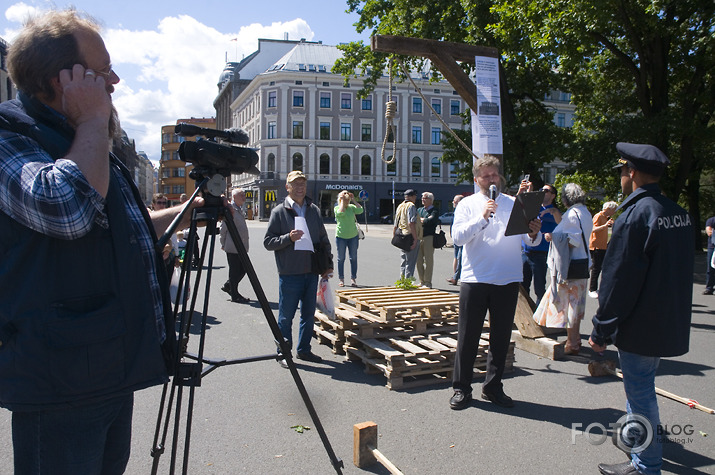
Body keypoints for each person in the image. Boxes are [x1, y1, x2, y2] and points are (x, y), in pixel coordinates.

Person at [0, 9, 203, 473]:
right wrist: (93, 121)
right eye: (100, 70)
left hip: (108, 369)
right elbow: (66, 211)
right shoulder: (12, 135)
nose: (113, 80)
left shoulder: (79, 140)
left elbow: (119, 229)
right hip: (60, 383)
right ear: (60, 79)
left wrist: (185, 213)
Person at [590, 143, 693, 475]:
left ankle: (646, 465)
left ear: (631, 173)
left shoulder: (634, 216)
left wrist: (601, 330)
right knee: (642, 385)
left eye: (622, 171)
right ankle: (636, 439)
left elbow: (618, 280)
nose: (622, 177)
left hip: (640, 324)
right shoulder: (676, 212)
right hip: (665, 319)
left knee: (640, 393)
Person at [449, 156, 542, 410]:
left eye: (494, 175)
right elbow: (457, 238)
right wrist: (482, 218)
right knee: (468, 336)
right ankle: (461, 388)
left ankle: (493, 386)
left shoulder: (514, 203)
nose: (491, 179)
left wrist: (534, 232)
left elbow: (528, 241)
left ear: (500, 177)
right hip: (475, 279)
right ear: (477, 179)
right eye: (486, 175)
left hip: (508, 279)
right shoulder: (468, 204)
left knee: (500, 338)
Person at [264, 170, 332, 368]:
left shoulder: (314, 210)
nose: (300, 188)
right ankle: (283, 353)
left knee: (308, 314)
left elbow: (323, 240)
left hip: (311, 271)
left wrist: (328, 266)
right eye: (296, 184)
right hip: (290, 273)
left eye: (303, 184)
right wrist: (288, 238)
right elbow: (268, 242)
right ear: (288, 187)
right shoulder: (279, 212)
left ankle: (304, 350)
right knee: (286, 317)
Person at [532, 183, 593, 355]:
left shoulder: (573, 214)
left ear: (566, 198)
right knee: (576, 305)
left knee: (570, 306)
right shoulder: (584, 212)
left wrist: (552, 237)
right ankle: (574, 340)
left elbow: (573, 240)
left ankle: (572, 343)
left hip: (571, 266)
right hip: (581, 264)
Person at [522, 183, 561, 305]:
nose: (543, 192)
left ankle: (540, 316)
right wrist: (530, 191)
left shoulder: (555, 212)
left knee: (539, 288)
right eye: (541, 189)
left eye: (546, 190)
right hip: (526, 252)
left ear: (553, 196)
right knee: (523, 288)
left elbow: (561, 225)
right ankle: (526, 316)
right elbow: (523, 208)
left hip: (541, 253)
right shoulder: (534, 208)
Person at [220, 188, 250, 303]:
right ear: (234, 198)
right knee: (235, 270)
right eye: (241, 195)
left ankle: (229, 286)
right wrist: (222, 243)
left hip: (241, 246)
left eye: (244, 195)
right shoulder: (230, 210)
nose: (244, 197)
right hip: (233, 246)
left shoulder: (239, 209)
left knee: (243, 270)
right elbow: (223, 229)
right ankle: (235, 294)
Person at [334, 190, 363, 287]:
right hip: (341, 237)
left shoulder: (352, 208)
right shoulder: (337, 208)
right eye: (345, 199)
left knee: (353, 258)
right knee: (341, 258)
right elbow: (340, 213)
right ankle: (341, 279)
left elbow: (360, 210)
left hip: (353, 237)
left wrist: (354, 200)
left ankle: (353, 279)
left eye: (348, 200)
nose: (347, 201)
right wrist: (342, 200)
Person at [588, 201, 618, 298]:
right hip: (596, 246)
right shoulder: (598, 216)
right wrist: (605, 226)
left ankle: (598, 288)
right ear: (608, 209)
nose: (614, 212)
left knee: (601, 267)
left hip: (603, 246)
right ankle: (592, 289)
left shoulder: (605, 218)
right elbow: (593, 229)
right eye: (613, 210)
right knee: (596, 268)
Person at [393, 189, 422, 280]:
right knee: (410, 261)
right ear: (412, 196)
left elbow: (395, 223)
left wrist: (394, 235)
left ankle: (401, 281)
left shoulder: (400, 206)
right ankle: (408, 282)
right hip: (409, 235)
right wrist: (415, 239)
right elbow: (411, 223)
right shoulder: (411, 206)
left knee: (403, 260)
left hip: (401, 235)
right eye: (415, 196)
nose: (415, 198)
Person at [416, 191, 440, 288]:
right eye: (422, 198)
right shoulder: (420, 209)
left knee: (428, 260)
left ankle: (428, 282)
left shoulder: (434, 210)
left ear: (431, 200)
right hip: (419, 237)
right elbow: (416, 220)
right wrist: (423, 220)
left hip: (429, 237)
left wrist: (423, 220)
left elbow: (431, 220)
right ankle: (421, 281)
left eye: (425, 198)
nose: (423, 199)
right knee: (418, 260)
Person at [447, 194, 464, 285]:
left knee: (460, 258)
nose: (453, 202)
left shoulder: (463, 211)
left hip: (462, 238)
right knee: (456, 257)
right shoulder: (456, 211)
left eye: (455, 201)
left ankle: (456, 277)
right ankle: (455, 276)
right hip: (455, 238)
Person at [704, 215, 715, 295]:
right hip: (712, 247)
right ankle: (709, 288)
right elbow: (709, 232)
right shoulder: (711, 220)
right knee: (710, 269)